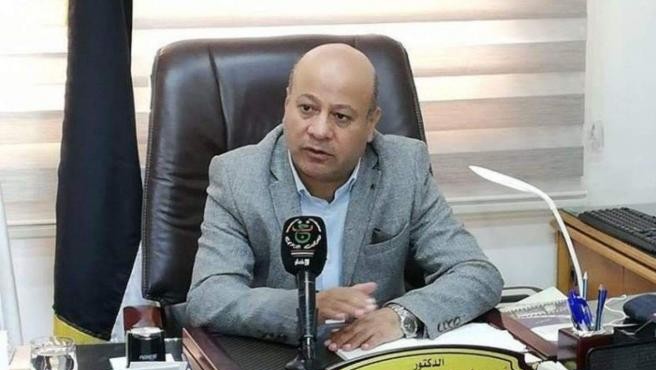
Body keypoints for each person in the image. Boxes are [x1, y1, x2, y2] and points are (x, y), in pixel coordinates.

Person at [186, 43, 503, 352]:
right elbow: (209, 298)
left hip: (373, 359)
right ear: (287, 104)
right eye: (307, 109)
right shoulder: (237, 176)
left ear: (371, 123)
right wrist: (308, 307)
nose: (319, 130)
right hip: (277, 359)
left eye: (341, 116)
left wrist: (400, 316)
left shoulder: (404, 168)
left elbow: (476, 274)